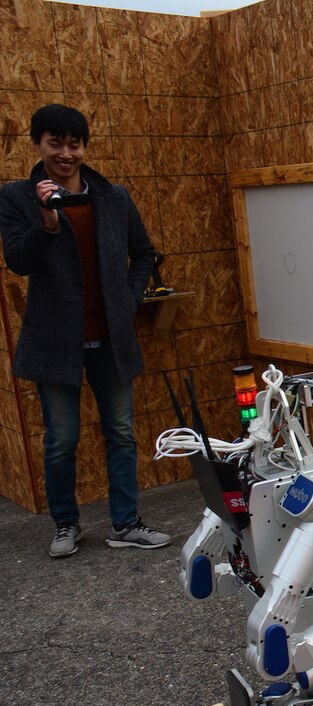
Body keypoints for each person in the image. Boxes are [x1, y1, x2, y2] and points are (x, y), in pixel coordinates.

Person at [0, 104, 171, 557]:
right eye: (55, 143)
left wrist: (131, 298)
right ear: (38, 144)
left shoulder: (113, 197)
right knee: (61, 439)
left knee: (120, 431)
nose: (66, 153)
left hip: (110, 339)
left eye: (74, 144)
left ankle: (127, 523)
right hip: (55, 341)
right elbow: (18, 259)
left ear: (84, 146)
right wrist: (47, 223)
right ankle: (65, 524)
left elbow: (145, 253)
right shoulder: (18, 197)